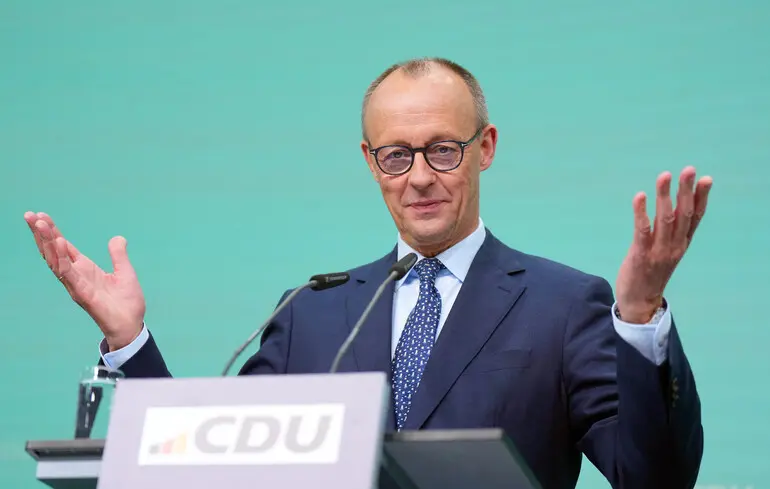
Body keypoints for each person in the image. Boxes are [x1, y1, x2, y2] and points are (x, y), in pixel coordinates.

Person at [25, 57, 711, 489]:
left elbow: (653, 478)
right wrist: (130, 342)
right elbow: (210, 469)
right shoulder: (311, 312)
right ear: (369, 161)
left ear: (486, 148)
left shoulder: (562, 304)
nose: (420, 177)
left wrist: (640, 314)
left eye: (443, 150)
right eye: (396, 156)